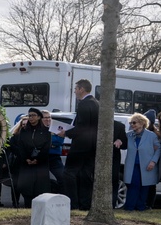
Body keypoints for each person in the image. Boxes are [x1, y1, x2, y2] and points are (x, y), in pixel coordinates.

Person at [58, 79, 98, 210]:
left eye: (76, 89)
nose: (74, 91)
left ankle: (72, 204)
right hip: (92, 146)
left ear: (82, 89)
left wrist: (66, 133)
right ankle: (85, 204)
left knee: (68, 174)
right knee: (86, 176)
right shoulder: (97, 103)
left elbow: (82, 127)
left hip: (81, 145)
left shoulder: (84, 104)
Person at [13, 107, 52, 207]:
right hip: (27, 164)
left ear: (39, 117)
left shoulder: (46, 132)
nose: (31, 118)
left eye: (33, 115)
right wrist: (27, 158)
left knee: (40, 190)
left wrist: (37, 160)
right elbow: (21, 146)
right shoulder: (24, 131)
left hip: (40, 165)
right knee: (27, 190)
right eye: (29, 115)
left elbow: (46, 148)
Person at [124, 113, 161, 211]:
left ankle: (140, 207)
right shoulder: (129, 135)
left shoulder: (151, 135)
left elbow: (158, 149)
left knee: (145, 186)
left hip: (147, 165)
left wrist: (153, 161)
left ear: (141, 123)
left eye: (134, 122)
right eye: (131, 123)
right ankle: (130, 207)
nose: (132, 125)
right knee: (133, 185)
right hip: (133, 165)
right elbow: (122, 141)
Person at [41, 111, 65, 192]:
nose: (48, 119)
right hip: (42, 157)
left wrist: (50, 143)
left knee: (63, 177)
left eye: (49, 117)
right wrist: (51, 143)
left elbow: (59, 142)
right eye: (45, 117)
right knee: (41, 181)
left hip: (54, 157)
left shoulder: (56, 128)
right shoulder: (38, 129)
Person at [111, 118, 128, 208]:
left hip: (114, 159)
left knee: (114, 182)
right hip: (94, 159)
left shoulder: (119, 126)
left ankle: (112, 204)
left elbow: (125, 144)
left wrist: (120, 141)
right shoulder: (93, 124)